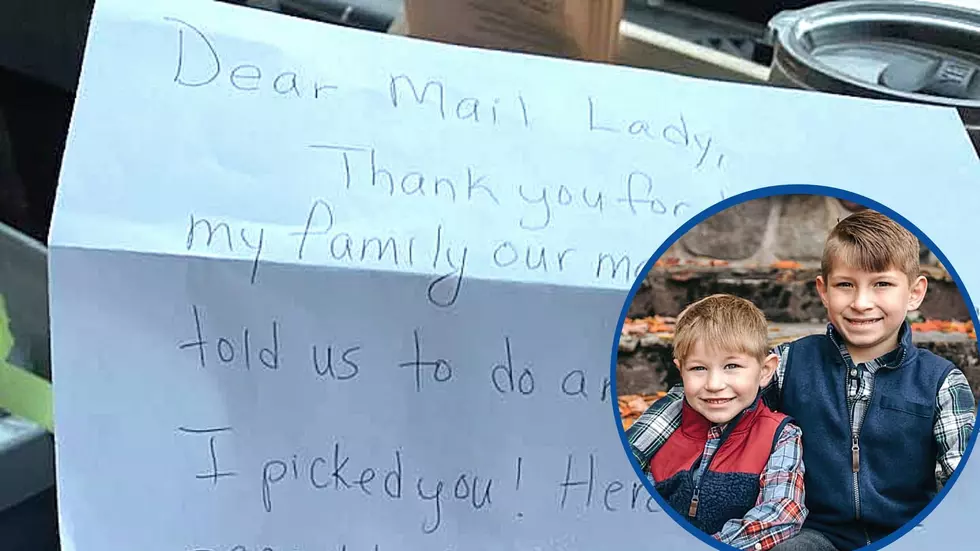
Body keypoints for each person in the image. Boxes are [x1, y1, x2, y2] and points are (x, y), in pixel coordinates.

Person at [627, 209, 977, 551]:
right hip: (817, 533)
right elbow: (708, 388)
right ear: (823, 291)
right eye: (845, 285)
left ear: (915, 292)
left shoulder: (941, 383)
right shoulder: (790, 363)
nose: (861, 302)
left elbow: (961, 494)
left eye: (882, 284)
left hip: (909, 533)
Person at [641, 293, 808, 551]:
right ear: (680, 369)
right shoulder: (665, 433)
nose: (714, 385)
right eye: (698, 368)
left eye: (731, 366)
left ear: (765, 371)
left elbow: (783, 512)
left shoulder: (780, 435)